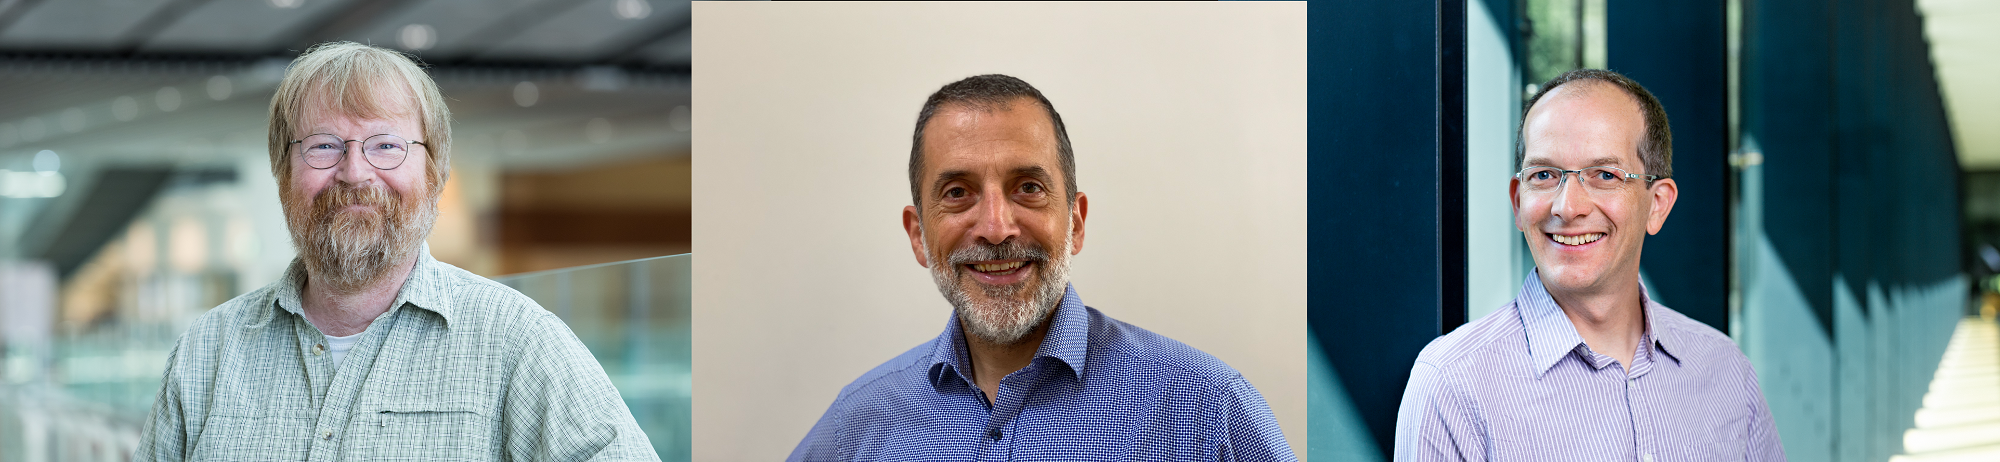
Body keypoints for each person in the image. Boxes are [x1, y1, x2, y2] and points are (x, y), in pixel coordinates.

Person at [134, 42, 657, 461]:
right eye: (323, 145)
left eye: (385, 144)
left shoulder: (518, 344)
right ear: (281, 174)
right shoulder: (206, 353)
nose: (355, 171)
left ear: (434, 174)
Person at [787, 74, 1293, 462]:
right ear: (919, 235)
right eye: (957, 193)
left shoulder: (1210, 410)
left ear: (1075, 222)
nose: (996, 226)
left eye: (1028, 187)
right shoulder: (858, 426)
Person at [1393, 69, 1784, 461]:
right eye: (1544, 175)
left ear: (1658, 205)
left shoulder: (1725, 371)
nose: (1568, 207)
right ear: (1517, 202)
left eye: (1604, 175)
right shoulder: (1452, 386)